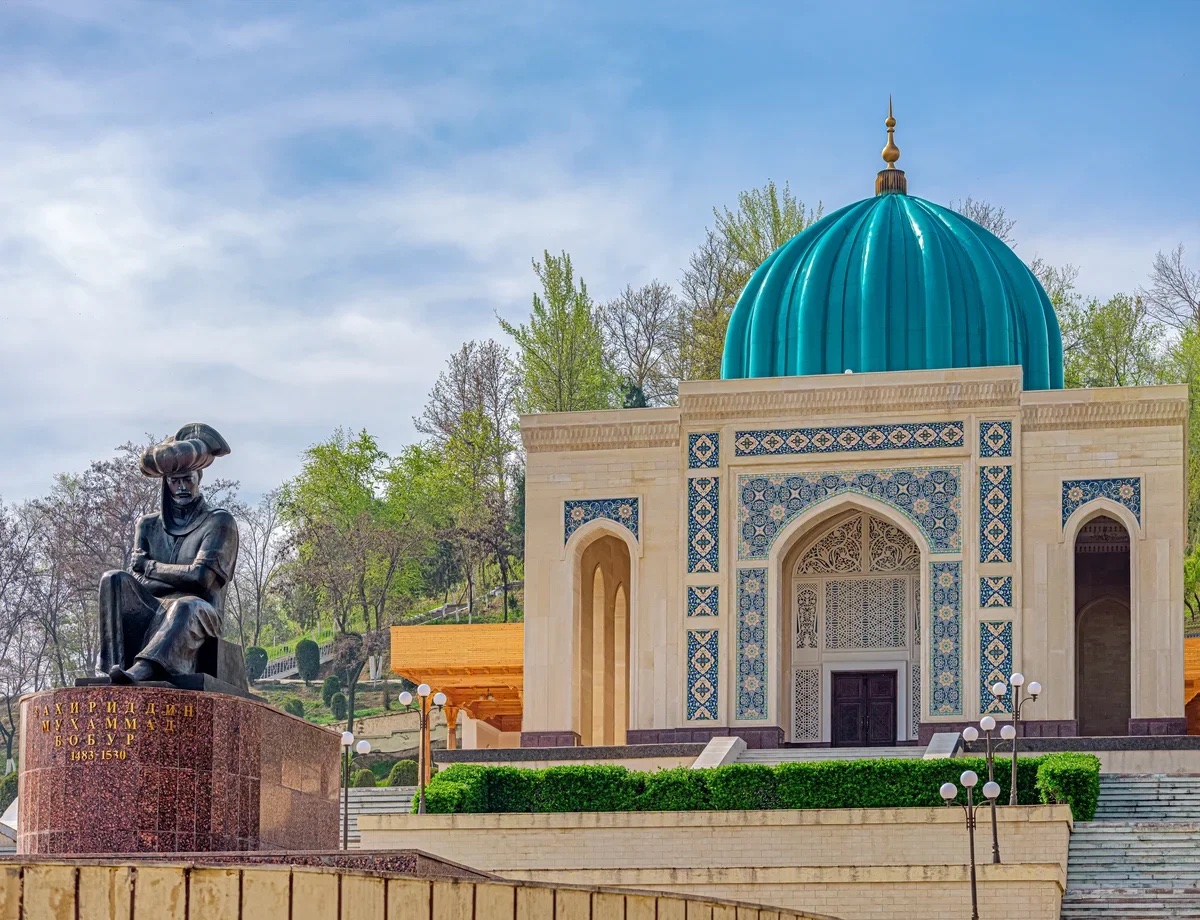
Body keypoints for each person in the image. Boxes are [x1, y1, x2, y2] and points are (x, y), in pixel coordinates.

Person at [98, 423, 239, 684]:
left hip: (200, 612)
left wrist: (150, 567)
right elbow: (138, 582)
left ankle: (145, 668)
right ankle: (112, 668)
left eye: (188, 479)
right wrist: (176, 577)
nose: (182, 487)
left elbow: (200, 580)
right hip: (154, 606)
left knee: (185, 604)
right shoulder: (148, 525)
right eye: (175, 481)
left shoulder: (219, 522)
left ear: (198, 478)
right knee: (113, 579)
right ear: (166, 483)